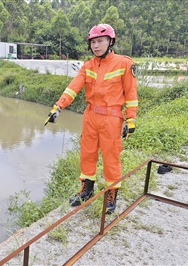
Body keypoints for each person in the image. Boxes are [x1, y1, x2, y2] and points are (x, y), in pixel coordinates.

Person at [44, 24, 138, 214]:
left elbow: (131, 93)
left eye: (100, 41)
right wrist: (59, 106)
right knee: (87, 154)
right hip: (90, 116)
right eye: (93, 42)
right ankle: (86, 190)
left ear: (110, 42)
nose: (96, 46)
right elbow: (73, 88)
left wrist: (131, 119)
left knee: (111, 157)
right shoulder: (88, 65)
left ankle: (111, 195)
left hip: (111, 117)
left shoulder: (124, 64)